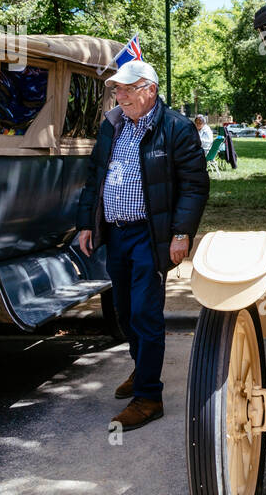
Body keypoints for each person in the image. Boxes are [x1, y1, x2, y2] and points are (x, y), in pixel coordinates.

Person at [76, 58, 209, 432]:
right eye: (116, 89)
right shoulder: (113, 124)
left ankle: (149, 397)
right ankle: (142, 369)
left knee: (145, 314)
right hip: (115, 232)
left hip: (149, 235)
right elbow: (95, 176)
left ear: (149, 90)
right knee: (123, 311)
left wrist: (182, 233)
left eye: (126, 89)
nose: (118, 95)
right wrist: (86, 222)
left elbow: (195, 185)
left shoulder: (176, 128)